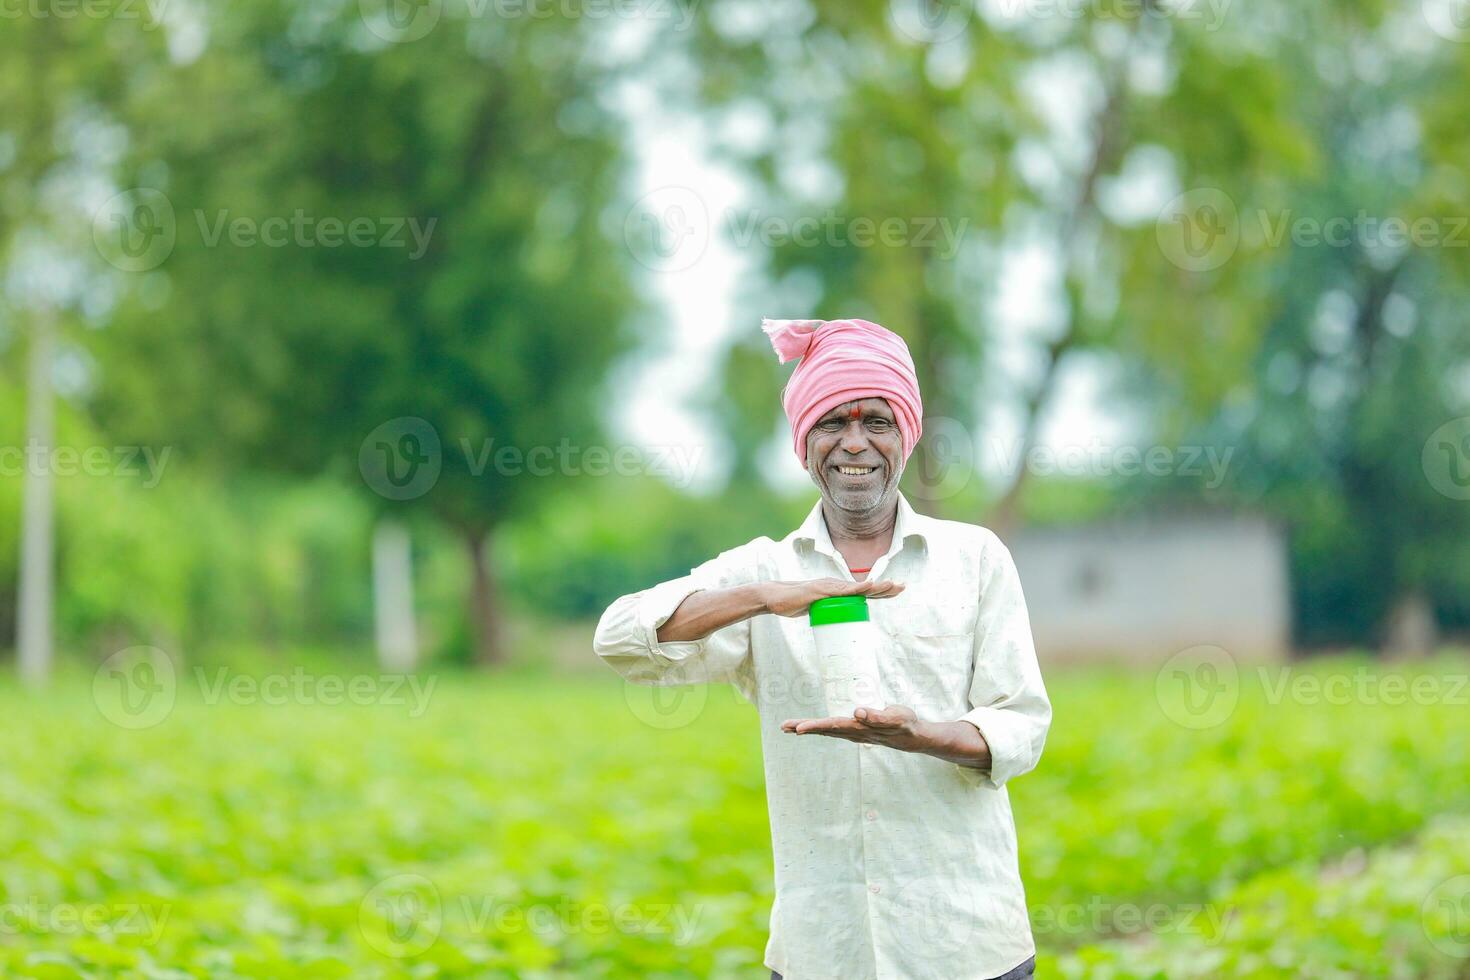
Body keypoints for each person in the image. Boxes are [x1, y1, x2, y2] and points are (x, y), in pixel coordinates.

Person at [593, 317, 1051, 980]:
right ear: (805, 443)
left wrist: (923, 735)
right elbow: (619, 640)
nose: (854, 444)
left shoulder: (974, 559)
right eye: (832, 422)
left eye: (876, 421)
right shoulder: (765, 567)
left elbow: (1022, 724)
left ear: (907, 436)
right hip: (824, 952)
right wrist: (761, 598)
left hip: (966, 945)